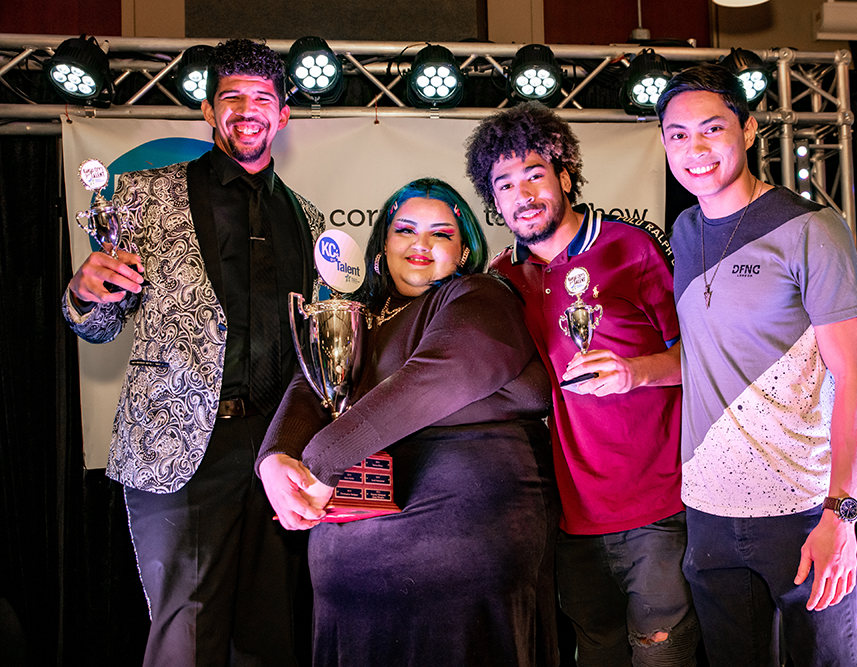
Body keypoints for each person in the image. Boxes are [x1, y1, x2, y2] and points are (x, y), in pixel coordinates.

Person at [62, 39, 324, 667]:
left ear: (283, 116)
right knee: (186, 640)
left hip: (275, 448)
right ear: (208, 110)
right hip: (179, 447)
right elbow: (98, 327)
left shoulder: (310, 221)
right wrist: (84, 293)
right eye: (231, 95)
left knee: (268, 638)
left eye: (262, 98)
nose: (246, 109)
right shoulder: (143, 197)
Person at [257, 178, 560, 667]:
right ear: (383, 245)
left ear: (463, 251)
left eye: (441, 234)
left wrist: (321, 462)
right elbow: (309, 386)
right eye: (405, 230)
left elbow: (445, 374)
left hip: (462, 559)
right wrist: (274, 458)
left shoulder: (480, 294)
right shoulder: (359, 316)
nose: (420, 244)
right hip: (353, 573)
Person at [655, 64, 857, 667]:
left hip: (801, 511)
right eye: (677, 134)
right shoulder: (685, 230)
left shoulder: (811, 229)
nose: (693, 149)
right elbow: (708, 356)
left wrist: (842, 514)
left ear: (749, 130)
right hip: (708, 511)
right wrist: (633, 372)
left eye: (711, 129)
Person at [465, 102, 699, 667]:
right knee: (595, 654)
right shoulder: (501, 281)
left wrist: (634, 371)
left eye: (534, 175)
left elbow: (700, 360)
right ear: (493, 201)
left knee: (661, 658)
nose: (522, 194)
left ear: (564, 176)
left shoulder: (628, 248)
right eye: (505, 184)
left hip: (659, 512)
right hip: (569, 522)